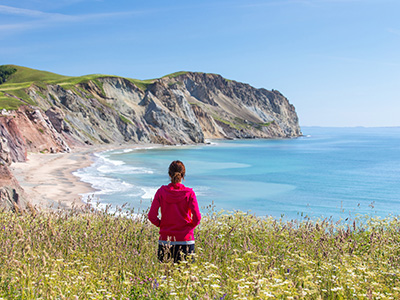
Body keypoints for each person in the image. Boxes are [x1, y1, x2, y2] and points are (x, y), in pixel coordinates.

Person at [148, 160, 201, 263]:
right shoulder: (189, 193)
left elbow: (151, 216)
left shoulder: (161, 192)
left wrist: (162, 225)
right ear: (183, 175)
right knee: (185, 277)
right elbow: (197, 218)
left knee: (165, 277)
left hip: (166, 240)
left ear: (169, 174)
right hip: (186, 241)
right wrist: (188, 228)